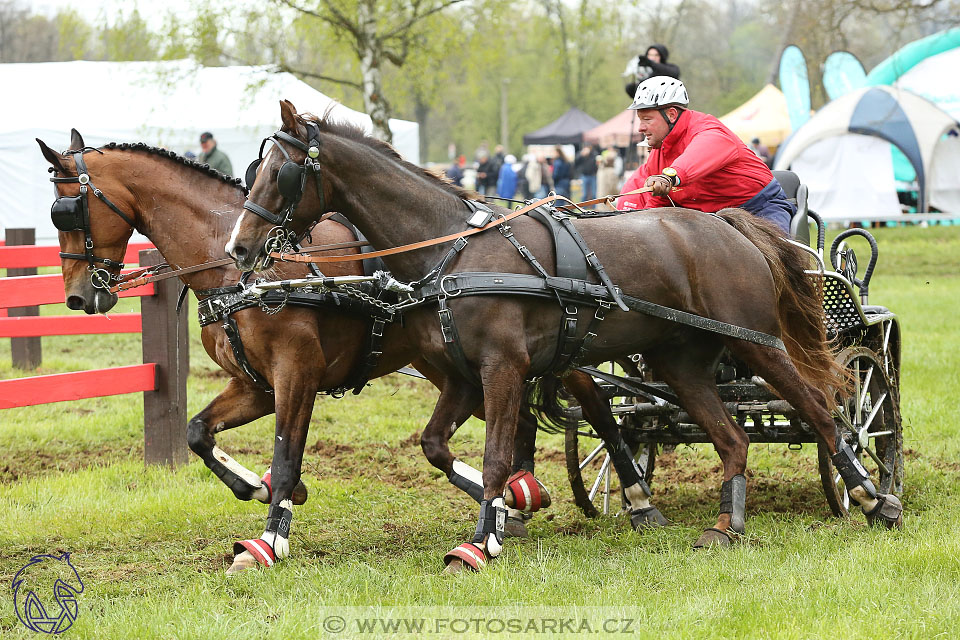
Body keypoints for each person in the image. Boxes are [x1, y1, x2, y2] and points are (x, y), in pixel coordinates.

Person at [617, 76, 795, 234]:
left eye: (647, 119)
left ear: (671, 114)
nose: (640, 128)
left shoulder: (709, 130)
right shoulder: (658, 154)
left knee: (774, 262)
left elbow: (698, 154)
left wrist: (669, 177)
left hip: (757, 210)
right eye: (640, 120)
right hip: (708, 222)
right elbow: (657, 205)